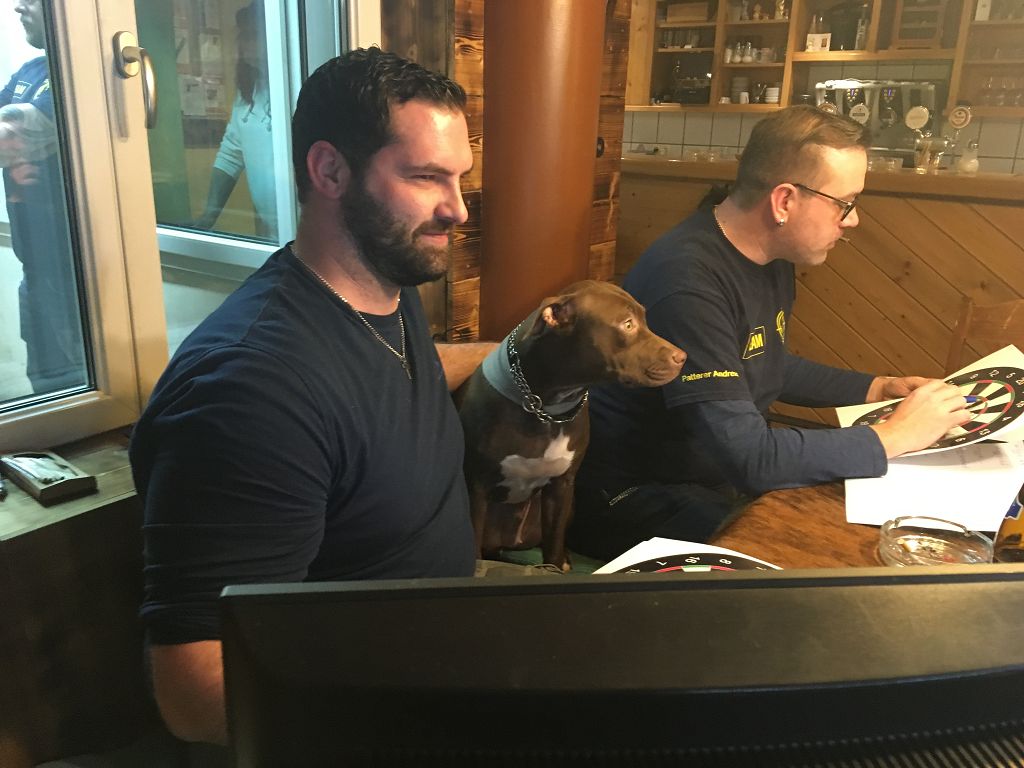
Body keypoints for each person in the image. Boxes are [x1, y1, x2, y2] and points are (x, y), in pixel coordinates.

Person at [130, 47, 492, 748]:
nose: (457, 209)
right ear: (329, 171)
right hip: (374, 724)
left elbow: (382, 388)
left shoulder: (384, 291)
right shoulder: (252, 392)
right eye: (425, 177)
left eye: (459, 179)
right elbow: (196, 692)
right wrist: (437, 703)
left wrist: (510, 354)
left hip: (451, 645)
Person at [568, 105, 972, 562]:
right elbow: (750, 457)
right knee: (826, 555)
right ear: (784, 202)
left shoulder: (769, 256)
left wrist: (878, 388)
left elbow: (762, 361)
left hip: (709, 479)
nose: (853, 219)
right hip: (633, 497)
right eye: (845, 203)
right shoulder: (687, 281)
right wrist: (894, 436)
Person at [1, 0, 86, 393]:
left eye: (32, 0)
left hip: (71, 271)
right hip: (35, 267)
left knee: (79, 385)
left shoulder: (78, 72)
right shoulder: (30, 71)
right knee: (45, 384)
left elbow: (20, 132)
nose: (18, 7)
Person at [193, 0, 277, 240]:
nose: (245, 42)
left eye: (253, 34)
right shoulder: (249, 91)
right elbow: (231, 153)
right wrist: (209, 216)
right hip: (275, 230)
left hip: (310, 231)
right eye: (244, 35)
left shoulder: (298, 83)